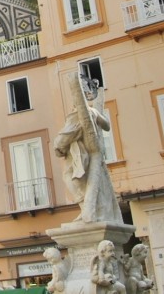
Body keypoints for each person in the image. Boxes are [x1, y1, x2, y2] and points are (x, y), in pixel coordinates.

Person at [52, 73, 122, 224]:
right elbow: (107, 125)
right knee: (77, 180)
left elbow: (67, 134)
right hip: (85, 152)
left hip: (81, 152)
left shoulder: (79, 114)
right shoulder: (92, 112)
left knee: (73, 179)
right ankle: (86, 209)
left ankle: (87, 209)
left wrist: (58, 146)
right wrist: (96, 117)